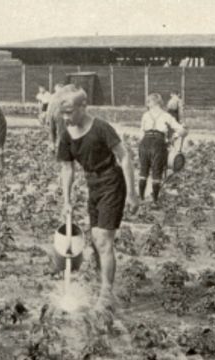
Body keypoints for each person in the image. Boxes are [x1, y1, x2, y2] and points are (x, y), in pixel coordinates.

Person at [57, 85, 139, 310]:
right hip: (93, 185)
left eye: (70, 112)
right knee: (95, 239)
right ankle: (100, 280)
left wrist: (132, 194)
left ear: (83, 107)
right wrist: (67, 200)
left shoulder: (101, 128)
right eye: (63, 113)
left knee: (103, 240)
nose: (66, 117)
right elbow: (67, 169)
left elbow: (124, 157)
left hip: (112, 182)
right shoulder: (66, 135)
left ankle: (106, 294)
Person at [138, 93, 187, 206]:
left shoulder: (145, 115)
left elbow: (141, 132)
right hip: (158, 144)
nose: (147, 104)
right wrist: (173, 138)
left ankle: (141, 199)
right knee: (157, 171)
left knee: (143, 171)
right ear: (160, 103)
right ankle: (155, 201)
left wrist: (142, 144)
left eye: (148, 102)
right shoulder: (166, 116)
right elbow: (181, 130)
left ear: (152, 103)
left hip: (145, 142)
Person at [47, 83, 65, 152]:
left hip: (60, 116)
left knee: (60, 131)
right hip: (52, 115)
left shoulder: (64, 97)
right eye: (57, 89)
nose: (58, 90)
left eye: (60, 89)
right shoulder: (52, 97)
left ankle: (59, 146)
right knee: (52, 130)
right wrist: (47, 117)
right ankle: (53, 145)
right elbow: (49, 107)